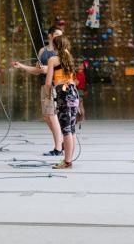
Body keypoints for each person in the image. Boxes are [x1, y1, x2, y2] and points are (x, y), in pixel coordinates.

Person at [11, 26, 64, 158]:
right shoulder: (42, 51)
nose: (60, 37)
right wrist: (21, 66)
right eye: (57, 34)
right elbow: (37, 71)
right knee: (47, 117)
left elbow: (53, 70)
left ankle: (58, 148)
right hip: (45, 87)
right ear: (50, 36)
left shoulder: (62, 51)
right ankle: (61, 142)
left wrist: (46, 68)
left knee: (52, 115)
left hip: (55, 86)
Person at [45, 34, 81, 170]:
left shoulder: (53, 59)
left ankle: (67, 162)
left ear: (55, 46)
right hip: (73, 93)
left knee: (65, 130)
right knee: (71, 129)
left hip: (63, 94)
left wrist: (47, 97)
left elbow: (48, 82)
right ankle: (69, 159)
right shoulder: (69, 58)